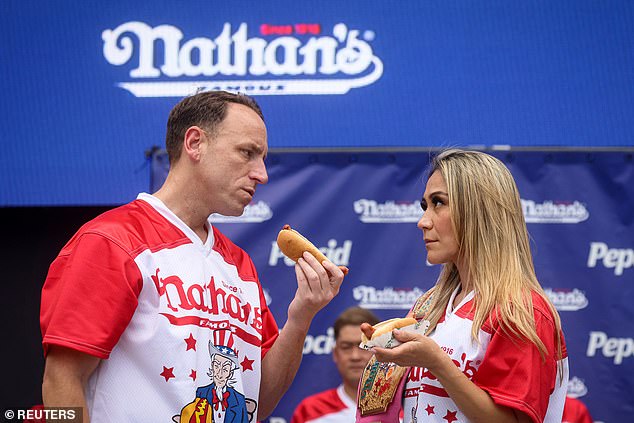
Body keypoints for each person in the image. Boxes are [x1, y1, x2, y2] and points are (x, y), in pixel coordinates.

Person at [40, 91, 345, 423]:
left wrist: (301, 316)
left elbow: (258, 401)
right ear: (195, 143)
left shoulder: (239, 264)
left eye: (262, 158)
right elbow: (61, 381)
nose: (262, 174)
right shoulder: (113, 241)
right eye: (247, 153)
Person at [361, 149, 569, 423]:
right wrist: (381, 351)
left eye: (439, 203)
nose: (423, 221)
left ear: (479, 210)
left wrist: (437, 363)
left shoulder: (522, 310)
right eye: (425, 205)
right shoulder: (428, 306)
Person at [291, 307, 379, 423]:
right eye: (346, 347)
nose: (355, 356)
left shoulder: (404, 407)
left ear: (379, 351)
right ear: (335, 353)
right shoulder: (310, 410)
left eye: (363, 347)